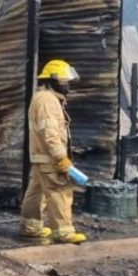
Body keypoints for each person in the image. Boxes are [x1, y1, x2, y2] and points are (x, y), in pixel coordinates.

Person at [21, 59, 87, 244]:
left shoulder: (45, 98)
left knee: (36, 193)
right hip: (49, 156)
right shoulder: (47, 101)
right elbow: (50, 133)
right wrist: (61, 158)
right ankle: (64, 232)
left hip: (41, 156)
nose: (67, 86)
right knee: (60, 190)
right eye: (64, 82)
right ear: (51, 80)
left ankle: (30, 227)